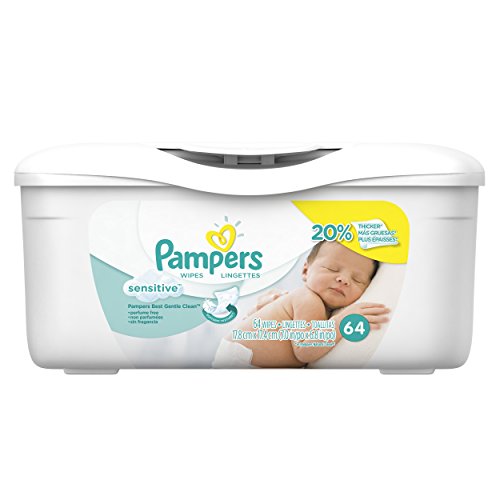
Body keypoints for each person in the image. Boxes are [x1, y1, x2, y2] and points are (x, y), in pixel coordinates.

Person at [213, 241, 390, 368]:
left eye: (357, 280)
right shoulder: (308, 299)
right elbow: (305, 348)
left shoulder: (307, 303)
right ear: (306, 270)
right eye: (332, 269)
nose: (343, 279)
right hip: (242, 361)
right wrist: (343, 321)